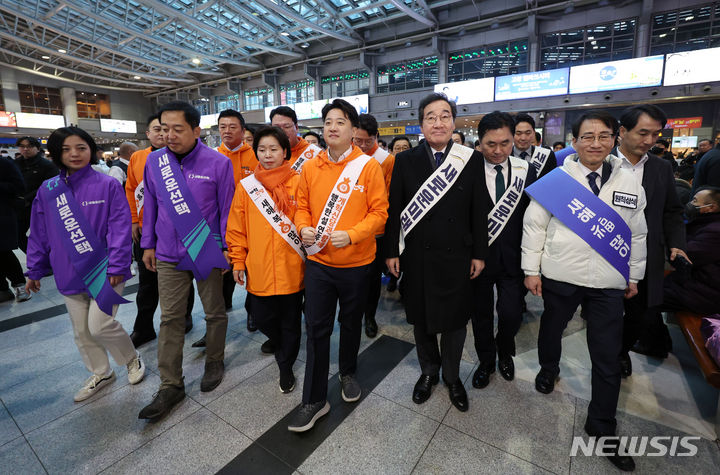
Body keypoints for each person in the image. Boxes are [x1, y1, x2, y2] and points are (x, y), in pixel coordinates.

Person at [522, 110, 647, 472]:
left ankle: (602, 423)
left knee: (607, 355)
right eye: (587, 137)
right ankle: (549, 368)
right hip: (562, 273)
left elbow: (638, 234)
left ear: (615, 139)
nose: (596, 143)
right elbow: (534, 227)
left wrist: (633, 276)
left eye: (604, 136)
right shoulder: (558, 179)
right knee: (551, 328)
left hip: (609, 280)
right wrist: (531, 270)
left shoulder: (629, 181)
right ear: (574, 141)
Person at [288, 99, 388, 432]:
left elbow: (379, 214)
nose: (333, 127)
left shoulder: (368, 167)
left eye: (340, 122)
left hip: (357, 263)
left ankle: (348, 372)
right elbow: (300, 207)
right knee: (316, 328)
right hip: (318, 262)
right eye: (328, 121)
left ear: (353, 129)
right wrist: (302, 226)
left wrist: (353, 234)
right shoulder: (311, 166)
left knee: (350, 322)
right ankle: (314, 399)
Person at [25, 127, 145, 402]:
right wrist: (34, 269)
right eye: (66, 149)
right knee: (81, 331)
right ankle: (101, 372)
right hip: (67, 271)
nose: (75, 154)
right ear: (56, 154)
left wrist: (117, 265)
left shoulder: (107, 185)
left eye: (80, 147)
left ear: (91, 149)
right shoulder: (48, 190)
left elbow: (119, 227)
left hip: (104, 270)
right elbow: (39, 231)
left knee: (100, 325)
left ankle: (131, 358)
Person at [385, 92, 487, 413]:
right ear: (421, 125)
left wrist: (479, 253)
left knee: (456, 322)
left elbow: (479, 210)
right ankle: (429, 372)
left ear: (453, 122)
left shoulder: (469, 159)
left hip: (458, 255)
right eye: (431, 117)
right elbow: (395, 209)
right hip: (418, 256)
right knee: (423, 320)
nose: (438, 122)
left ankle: (452, 377)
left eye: (445, 116)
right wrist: (392, 251)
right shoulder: (404, 161)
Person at [138, 101, 235, 420]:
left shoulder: (218, 163)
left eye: (177, 129)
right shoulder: (154, 162)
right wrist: (148, 244)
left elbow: (226, 210)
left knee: (214, 311)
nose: (169, 135)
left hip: (205, 248)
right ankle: (170, 385)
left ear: (196, 130)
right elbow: (150, 205)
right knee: (170, 318)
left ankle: (214, 360)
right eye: (164, 129)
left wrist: (224, 247)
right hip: (166, 253)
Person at [226, 126, 305, 393]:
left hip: (292, 268)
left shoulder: (299, 181)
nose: (268, 155)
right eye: (262, 149)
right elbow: (237, 228)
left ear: (285, 152)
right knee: (261, 318)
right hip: (258, 268)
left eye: (273, 149)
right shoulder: (247, 187)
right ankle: (281, 344)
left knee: (291, 320)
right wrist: (238, 260)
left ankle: (285, 365)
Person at [614, 105, 687, 369]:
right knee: (602, 313)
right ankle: (606, 355)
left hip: (647, 255)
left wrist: (677, 244)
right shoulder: (602, 163)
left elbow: (672, 211)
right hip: (605, 250)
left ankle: (621, 353)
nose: (649, 141)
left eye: (655, 134)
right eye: (642, 133)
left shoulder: (661, 168)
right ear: (622, 131)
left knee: (640, 315)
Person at [470, 112, 537, 389]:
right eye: (490, 144)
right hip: (477, 259)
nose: (498, 151)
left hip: (514, 258)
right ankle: (486, 361)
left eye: (505, 143)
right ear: (480, 142)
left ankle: (505, 351)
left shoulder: (526, 171)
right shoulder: (468, 169)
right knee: (481, 315)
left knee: (511, 314)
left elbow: (535, 217)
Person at [125, 115, 195, 348]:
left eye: (169, 129)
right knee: (147, 283)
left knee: (185, 278)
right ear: (148, 133)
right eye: (158, 129)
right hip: (146, 232)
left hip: (180, 230)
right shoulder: (139, 157)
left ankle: (185, 316)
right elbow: (131, 190)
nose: (164, 134)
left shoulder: (184, 158)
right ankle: (143, 327)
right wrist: (134, 220)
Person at [214, 109, 257, 333]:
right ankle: (218, 318)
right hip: (222, 225)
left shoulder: (256, 156)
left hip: (252, 225)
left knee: (252, 271)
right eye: (223, 126)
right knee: (221, 272)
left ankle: (253, 313)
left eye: (232, 127)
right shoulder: (212, 157)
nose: (227, 131)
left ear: (242, 129)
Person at [353, 113, 395, 338]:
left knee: (371, 279)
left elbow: (386, 198)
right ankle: (352, 313)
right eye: (357, 140)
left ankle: (369, 315)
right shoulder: (346, 156)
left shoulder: (386, 160)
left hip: (375, 232)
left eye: (366, 141)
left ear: (376, 137)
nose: (361, 145)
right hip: (348, 230)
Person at [661, 187, 720, 315]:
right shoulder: (704, 224)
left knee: (649, 297)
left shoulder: (715, 231)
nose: (690, 204)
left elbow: (684, 255)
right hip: (695, 284)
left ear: (711, 207)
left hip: (704, 293)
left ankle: (657, 334)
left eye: (694, 201)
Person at [14, 136, 59, 253]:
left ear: (38, 148)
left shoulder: (48, 165)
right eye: (22, 146)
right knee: (18, 234)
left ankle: (47, 262)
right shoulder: (15, 164)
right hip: (21, 206)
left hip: (41, 206)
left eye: (29, 146)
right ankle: (36, 258)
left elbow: (50, 186)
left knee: (43, 236)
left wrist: (28, 198)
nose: (25, 149)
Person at [0, 156, 31, 303]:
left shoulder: (4, 163)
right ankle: (2, 289)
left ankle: (20, 285)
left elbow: (19, 187)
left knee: (4, 251)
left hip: (3, 212)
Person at [271, 106, 323, 173]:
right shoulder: (267, 153)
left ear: (296, 127)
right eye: (277, 127)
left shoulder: (315, 153)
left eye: (287, 127)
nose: (281, 131)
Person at [513, 113, 557, 178]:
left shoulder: (548, 156)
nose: (523, 138)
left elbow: (552, 181)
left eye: (528, 133)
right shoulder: (503, 156)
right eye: (518, 133)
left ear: (534, 133)